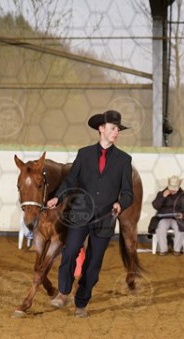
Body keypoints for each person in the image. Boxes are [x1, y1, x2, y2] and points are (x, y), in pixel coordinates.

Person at [46, 110, 133, 317]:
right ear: (101, 129)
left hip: (105, 218)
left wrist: (120, 204)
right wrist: (58, 197)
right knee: (70, 251)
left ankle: (81, 303)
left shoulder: (124, 160)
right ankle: (63, 292)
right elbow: (71, 180)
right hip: (80, 213)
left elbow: (128, 193)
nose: (116, 132)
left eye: (118, 129)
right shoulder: (84, 154)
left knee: (93, 263)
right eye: (113, 128)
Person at [148, 175, 184, 256]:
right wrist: (163, 197)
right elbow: (155, 205)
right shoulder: (161, 193)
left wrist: (183, 215)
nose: (172, 190)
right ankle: (163, 250)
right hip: (163, 218)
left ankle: (177, 250)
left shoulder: (183, 195)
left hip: (177, 219)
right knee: (160, 227)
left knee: (179, 229)